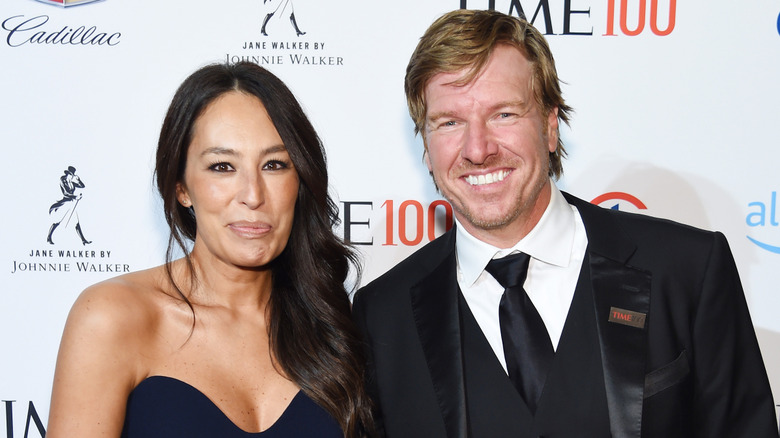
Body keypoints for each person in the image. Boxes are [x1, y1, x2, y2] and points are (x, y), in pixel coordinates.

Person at [352, 9, 779, 438]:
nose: (477, 149)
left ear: (551, 126)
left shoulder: (686, 270)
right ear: (426, 146)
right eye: (449, 122)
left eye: (504, 114)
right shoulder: (382, 318)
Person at [47, 62, 373, 437]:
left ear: (299, 182)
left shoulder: (332, 326)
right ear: (181, 188)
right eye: (222, 166)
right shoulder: (113, 317)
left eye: (274, 164)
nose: (253, 195)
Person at [47, 165, 91, 245]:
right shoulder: (63, 181)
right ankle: (49, 237)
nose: (72, 177)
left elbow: (82, 186)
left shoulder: (72, 182)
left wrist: (78, 180)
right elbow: (65, 193)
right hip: (64, 203)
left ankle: (83, 240)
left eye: (73, 175)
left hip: (72, 203)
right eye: (71, 175)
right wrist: (75, 196)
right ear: (68, 174)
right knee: (57, 221)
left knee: (76, 223)